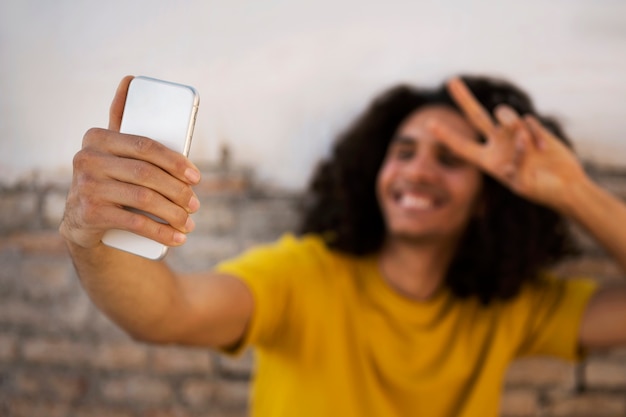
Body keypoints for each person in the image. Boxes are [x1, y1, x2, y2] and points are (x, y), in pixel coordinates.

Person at [60, 74, 626, 416]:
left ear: (488, 197)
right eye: (403, 151)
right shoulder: (303, 275)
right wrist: (93, 240)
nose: (418, 171)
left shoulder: (514, 306)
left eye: (451, 159)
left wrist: (574, 192)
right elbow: (166, 314)